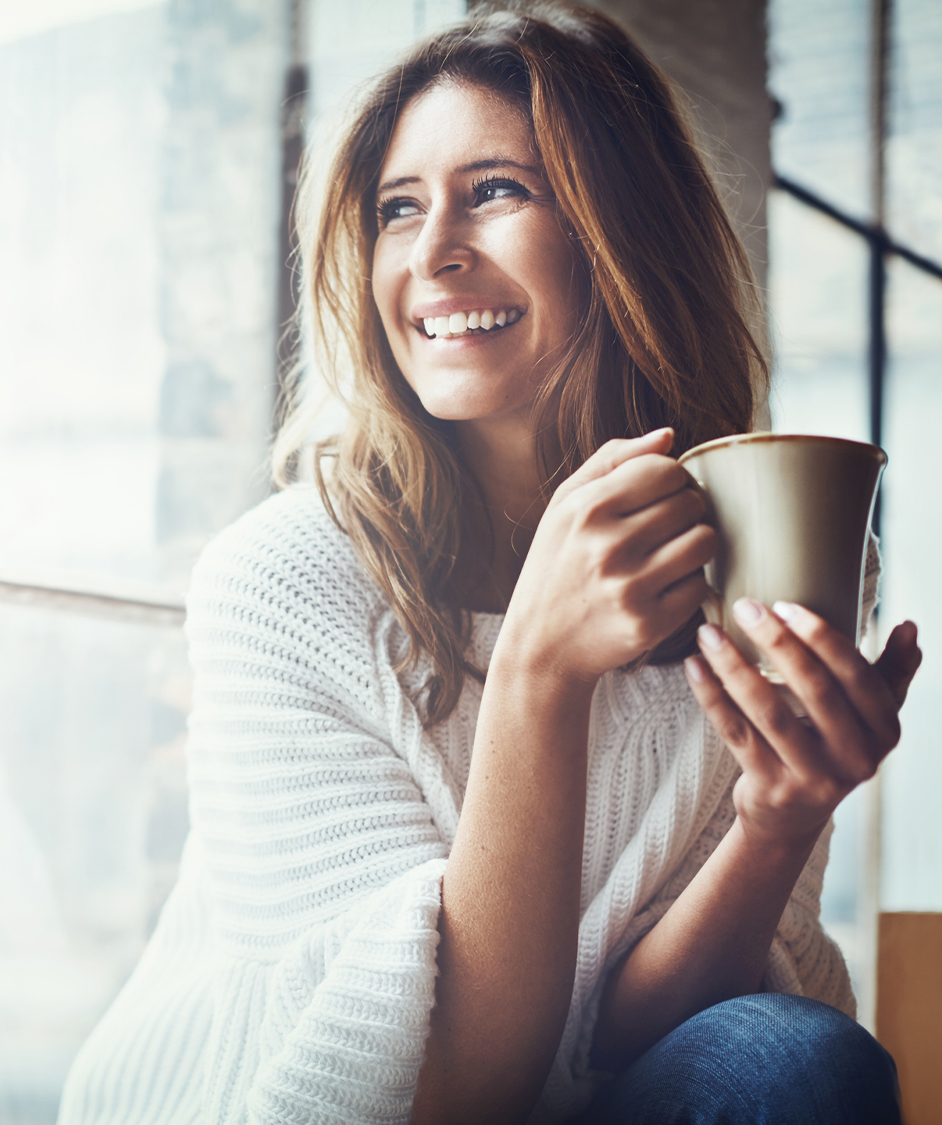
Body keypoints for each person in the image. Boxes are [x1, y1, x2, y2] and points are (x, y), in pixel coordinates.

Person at [58, 4, 922, 1124]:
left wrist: (779, 816)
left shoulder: (754, 567)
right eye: (398, 209)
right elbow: (448, 1091)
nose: (431, 254)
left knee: (794, 1060)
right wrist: (537, 674)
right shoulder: (282, 584)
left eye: (499, 191)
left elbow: (632, 1047)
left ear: (626, 236)